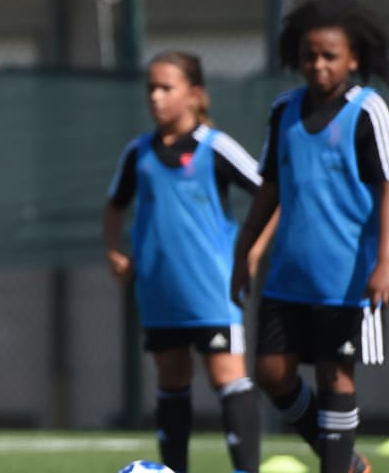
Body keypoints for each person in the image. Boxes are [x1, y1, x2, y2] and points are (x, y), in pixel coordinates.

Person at [231, 0, 389, 473]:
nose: (318, 65)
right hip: (288, 275)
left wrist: (386, 260)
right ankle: (346, 461)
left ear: (353, 59)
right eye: (310, 55)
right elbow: (270, 185)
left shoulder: (368, 111)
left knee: (335, 376)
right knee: (271, 373)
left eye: (330, 56)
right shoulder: (283, 111)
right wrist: (244, 247)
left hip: (347, 277)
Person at [103, 50, 270, 473]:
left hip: (213, 288)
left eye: (166, 88)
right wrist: (115, 251)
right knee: (171, 380)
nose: (156, 97)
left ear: (195, 94)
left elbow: (273, 193)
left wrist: (251, 252)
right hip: (159, 291)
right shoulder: (137, 153)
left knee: (228, 377)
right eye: (151, 88)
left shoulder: (216, 147)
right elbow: (114, 205)